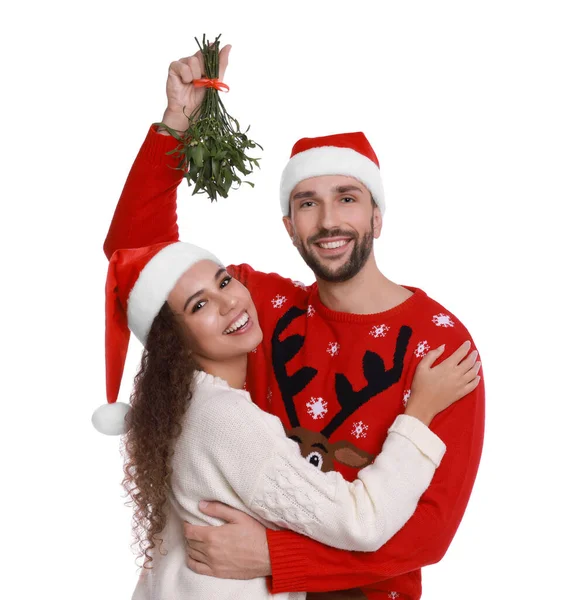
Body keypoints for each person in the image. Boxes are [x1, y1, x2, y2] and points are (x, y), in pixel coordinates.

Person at [103, 45, 485, 599]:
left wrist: (279, 557)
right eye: (307, 203)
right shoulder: (256, 310)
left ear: (377, 215)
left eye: (347, 198)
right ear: (288, 225)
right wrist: (177, 125)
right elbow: (137, 262)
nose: (329, 220)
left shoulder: (440, 344)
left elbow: (430, 531)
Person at [92, 240, 480, 600]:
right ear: (171, 342)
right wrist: (419, 414)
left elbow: (138, 249)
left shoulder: (187, 405)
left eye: (224, 281)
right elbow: (363, 521)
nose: (228, 303)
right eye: (199, 305)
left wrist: (273, 554)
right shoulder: (225, 419)